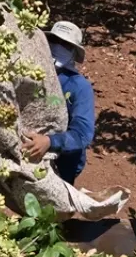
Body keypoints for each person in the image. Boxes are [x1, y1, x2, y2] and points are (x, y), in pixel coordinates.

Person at [21, 20, 96, 186]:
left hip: (63, 166)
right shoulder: (30, 75)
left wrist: (49, 142)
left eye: (65, 45)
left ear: (73, 53)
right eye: (55, 41)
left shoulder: (79, 87)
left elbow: (83, 134)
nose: (58, 47)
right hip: (27, 156)